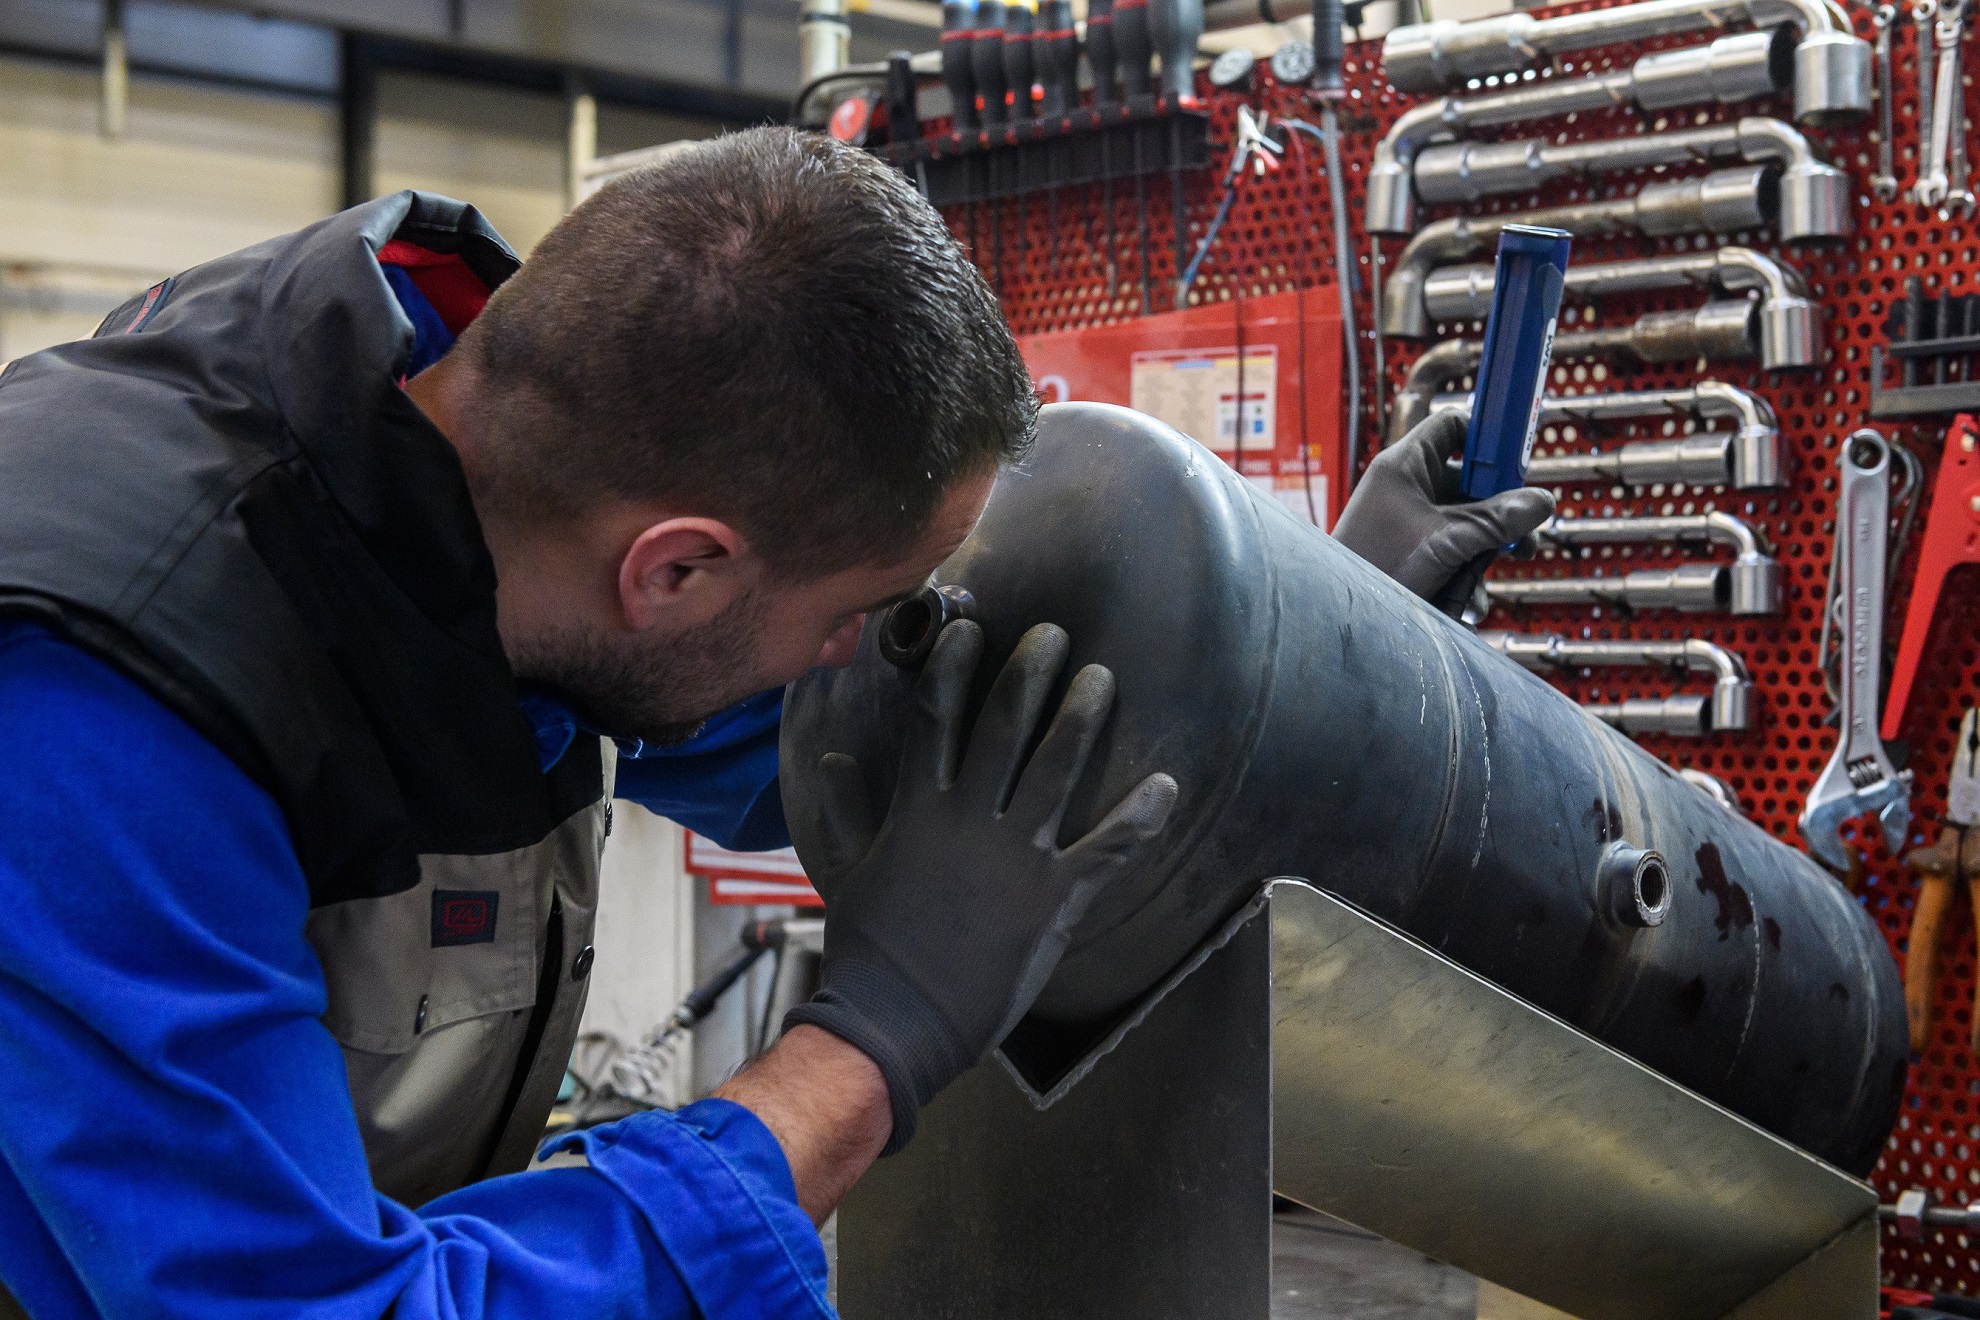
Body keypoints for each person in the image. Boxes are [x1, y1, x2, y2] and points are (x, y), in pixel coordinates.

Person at [0, 125, 1548, 1318]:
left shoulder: (478, 436)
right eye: (854, 618)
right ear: (674, 568)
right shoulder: (107, 714)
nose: (866, 660)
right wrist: (858, 1054)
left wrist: (1317, 652)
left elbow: (886, 769)